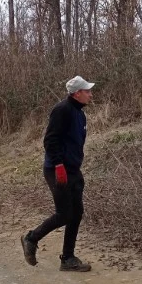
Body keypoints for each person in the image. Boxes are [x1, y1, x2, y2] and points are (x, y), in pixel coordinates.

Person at [21, 76, 95, 272]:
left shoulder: (80, 114)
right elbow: (50, 140)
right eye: (87, 91)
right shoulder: (62, 110)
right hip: (57, 170)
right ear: (77, 93)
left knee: (76, 213)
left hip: (73, 170)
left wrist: (74, 166)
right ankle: (31, 238)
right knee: (64, 214)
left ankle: (68, 258)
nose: (90, 94)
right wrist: (59, 165)